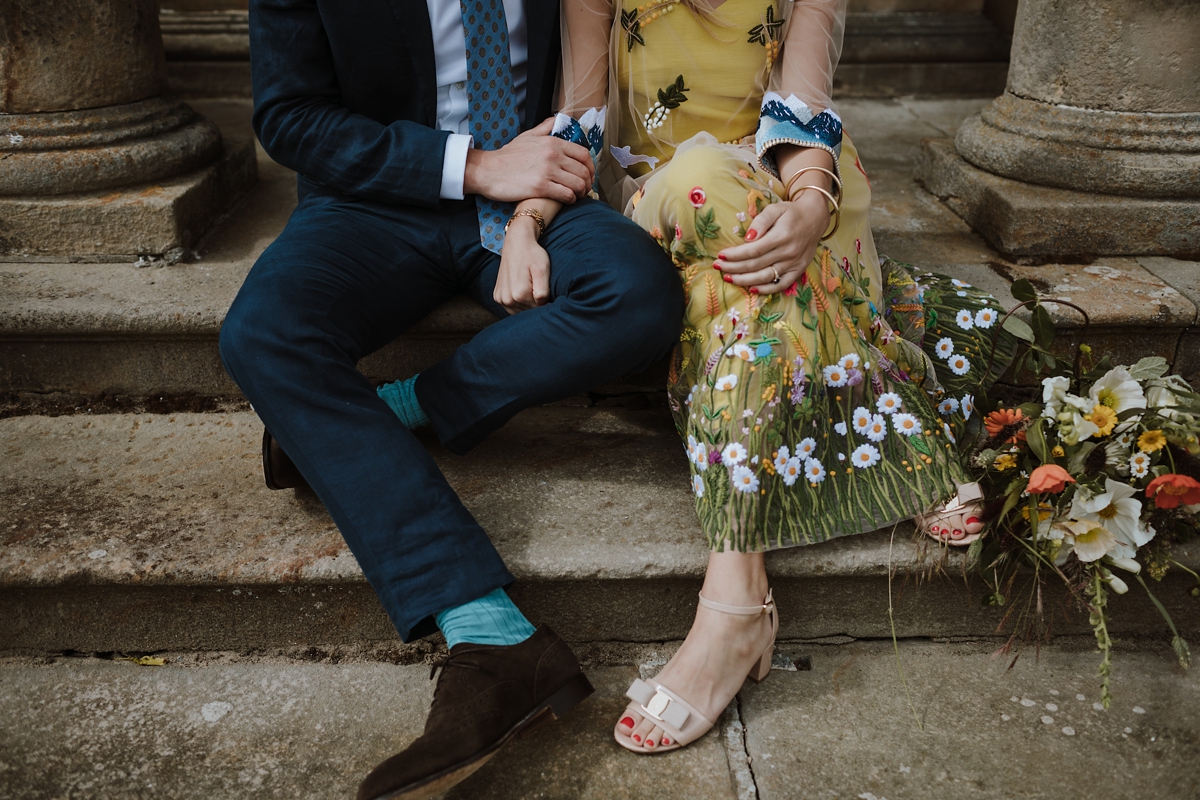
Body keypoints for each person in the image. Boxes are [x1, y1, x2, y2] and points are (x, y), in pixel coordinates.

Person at [512, 0, 1017, 753]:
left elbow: (802, 110)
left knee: (742, 289)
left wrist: (813, 206)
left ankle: (737, 601)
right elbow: (579, 118)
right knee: (699, 173)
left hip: (790, 192)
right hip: (672, 202)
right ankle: (894, 408)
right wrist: (526, 223)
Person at [220, 0, 682, 796]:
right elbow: (290, 117)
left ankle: (397, 409)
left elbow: (587, 74)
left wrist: (525, 187)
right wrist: (471, 165)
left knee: (639, 293)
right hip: (370, 203)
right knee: (262, 334)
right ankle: (489, 630)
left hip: (539, 190)